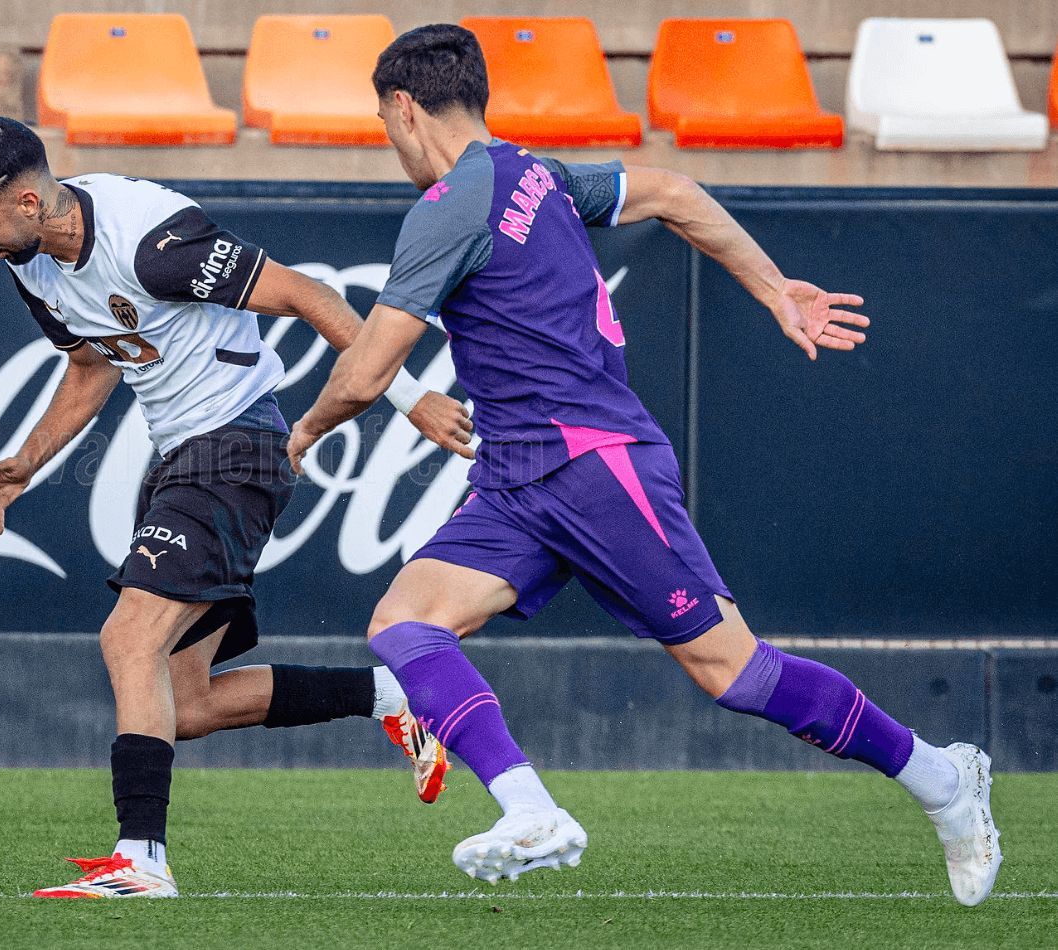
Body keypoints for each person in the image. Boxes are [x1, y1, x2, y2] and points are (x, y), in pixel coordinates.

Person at [286, 26, 1000, 906]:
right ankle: (530, 810)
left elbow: (365, 372)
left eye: (384, 123)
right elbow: (673, 190)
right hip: (516, 479)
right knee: (405, 623)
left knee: (736, 674)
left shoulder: (449, 206)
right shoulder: (535, 175)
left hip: (593, 464)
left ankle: (942, 777)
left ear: (402, 108)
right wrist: (774, 287)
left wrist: (303, 432)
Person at [0, 116, 470, 899]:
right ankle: (393, 696)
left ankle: (141, 859)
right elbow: (92, 364)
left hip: (234, 448)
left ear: (26, 201)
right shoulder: (31, 263)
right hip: (182, 460)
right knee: (183, 702)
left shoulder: (151, 242)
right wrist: (28, 461)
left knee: (128, 639)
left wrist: (411, 397)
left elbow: (309, 294)